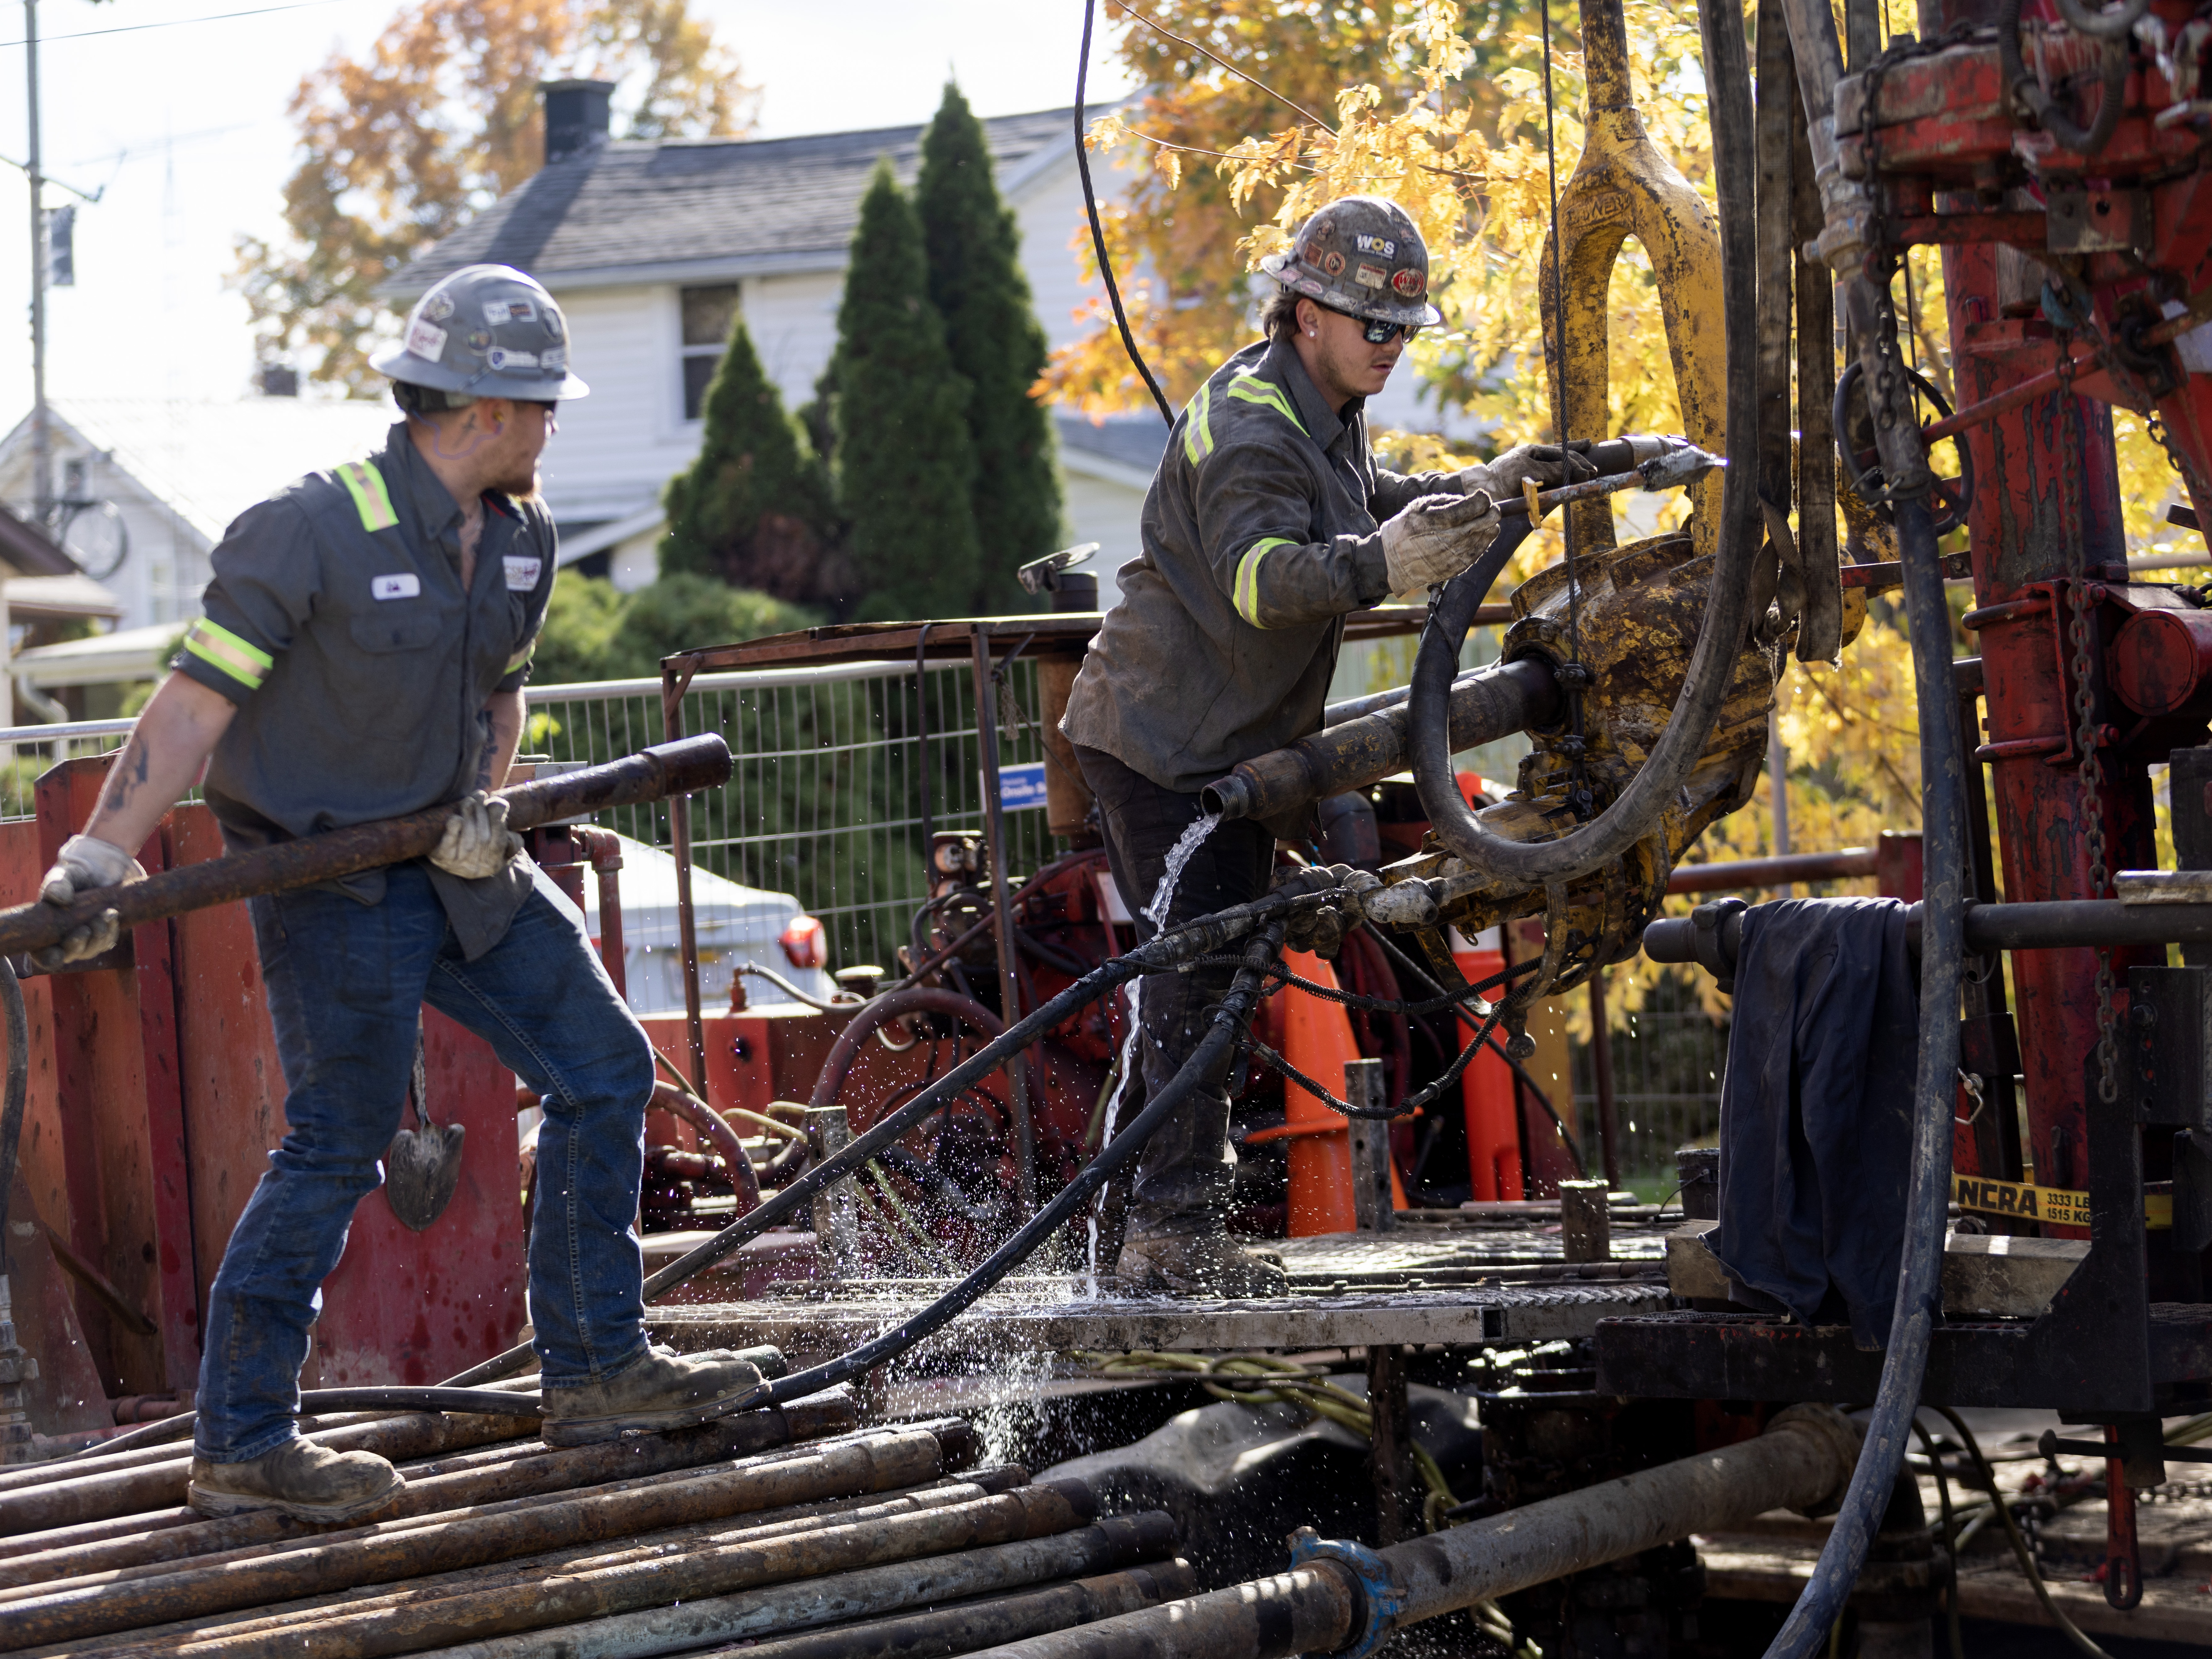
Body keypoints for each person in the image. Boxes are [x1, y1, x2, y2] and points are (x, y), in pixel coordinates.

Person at [34, 264, 766, 1523]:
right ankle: (245, 1440)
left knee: (605, 1070)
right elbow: (196, 703)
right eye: (542, 404)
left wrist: (488, 794)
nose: (552, 426)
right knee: (338, 1140)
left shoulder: (524, 541)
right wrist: (100, 860)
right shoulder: (310, 528)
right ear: (485, 403)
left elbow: (498, 694)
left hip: (466, 870)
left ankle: (597, 1369)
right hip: (331, 885)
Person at [1061, 197, 1589, 1298]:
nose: (1392, 350)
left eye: (1403, 331)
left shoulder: (1322, 404)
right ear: (1305, 313)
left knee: (1200, 986)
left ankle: (1124, 1237)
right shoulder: (1252, 425)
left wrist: (1488, 490)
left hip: (1220, 743)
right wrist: (1379, 567)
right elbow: (1265, 580)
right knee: (1196, 989)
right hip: (1164, 744)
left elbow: (1358, 504)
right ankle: (1167, 1242)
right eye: (1374, 329)